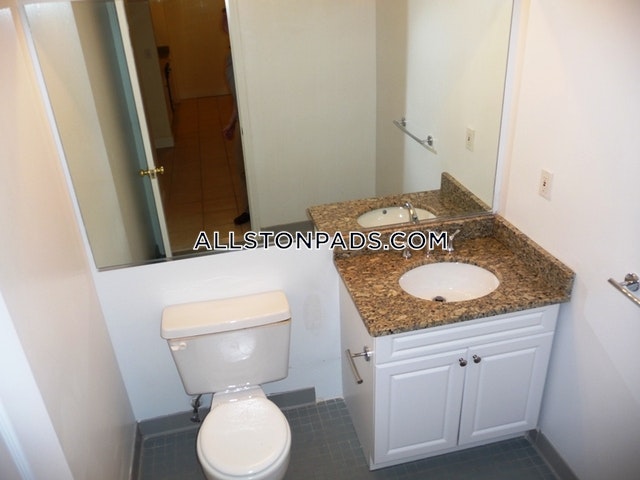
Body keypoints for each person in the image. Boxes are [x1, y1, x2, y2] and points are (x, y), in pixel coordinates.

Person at [221, 8, 250, 225]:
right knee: (243, 168)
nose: (222, 22)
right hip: (242, 122)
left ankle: (254, 210)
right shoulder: (233, 53)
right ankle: (251, 209)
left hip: (250, 124)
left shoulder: (242, 54)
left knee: (246, 168)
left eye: (225, 17)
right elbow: (237, 95)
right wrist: (232, 122)